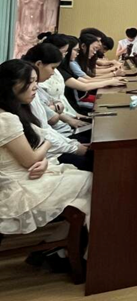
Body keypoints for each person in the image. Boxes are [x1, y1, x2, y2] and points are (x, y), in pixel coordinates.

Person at [0, 59, 92, 237]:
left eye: (35, 81)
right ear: (9, 85)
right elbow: (30, 159)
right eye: (30, 82)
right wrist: (47, 145)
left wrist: (42, 159)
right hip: (19, 187)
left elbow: (29, 153)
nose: (35, 87)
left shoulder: (16, 110)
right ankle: (71, 244)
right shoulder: (6, 119)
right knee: (90, 181)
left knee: (86, 187)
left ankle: (68, 244)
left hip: (27, 175)